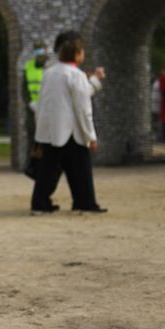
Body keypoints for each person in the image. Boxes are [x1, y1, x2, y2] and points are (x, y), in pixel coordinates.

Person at [31, 34, 105, 214]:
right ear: (77, 54)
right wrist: (91, 135)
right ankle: (85, 202)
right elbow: (83, 107)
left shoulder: (50, 72)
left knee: (47, 169)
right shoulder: (76, 74)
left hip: (50, 130)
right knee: (81, 169)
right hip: (71, 131)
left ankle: (40, 203)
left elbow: (43, 102)